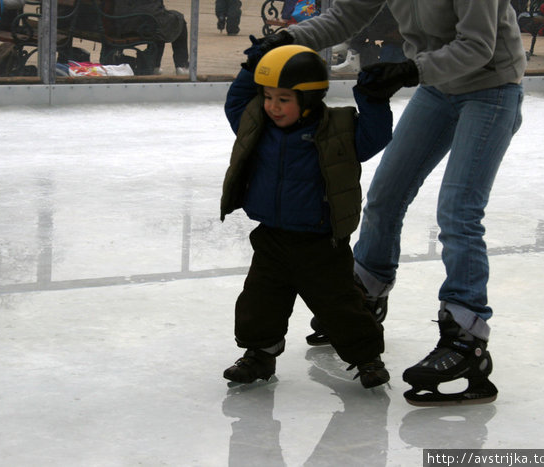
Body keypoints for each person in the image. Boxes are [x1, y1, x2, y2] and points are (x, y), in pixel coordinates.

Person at [258, 0, 526, 406]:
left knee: (459, 211)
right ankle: (365, 296)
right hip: (438, 89)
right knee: (385, 194)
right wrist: (289, 38)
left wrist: (409, 70)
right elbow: (347, 15)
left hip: (491, 87)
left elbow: (478, 46)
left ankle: (467, 340)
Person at [220, 42, 394, 388]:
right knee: (259, 302)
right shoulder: (258, 125)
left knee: (341, 307)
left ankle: (367, 359)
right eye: (268, 96)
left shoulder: (337, 129)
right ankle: (260, 354)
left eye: (283, 99)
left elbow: (375, 136)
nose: (272, 107)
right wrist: (249, 68)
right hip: (271, 238)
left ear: (310, 98)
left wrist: (374, 98)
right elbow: (236, 104)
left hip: (321, 243)